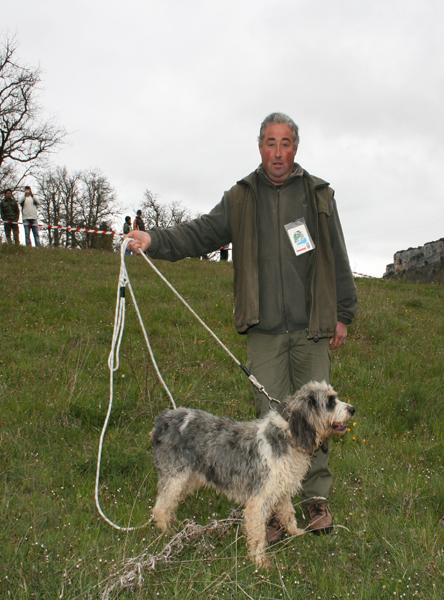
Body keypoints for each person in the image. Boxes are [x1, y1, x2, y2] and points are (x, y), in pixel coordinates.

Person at [124, 112, 358, 542]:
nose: (278, 152)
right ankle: (269, 505)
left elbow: (337, 254)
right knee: (273, 424)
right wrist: (153, 240)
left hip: (312, 328)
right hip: (264, 330)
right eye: (270, 142)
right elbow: (200, 233)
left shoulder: (318, 194)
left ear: (295, 148)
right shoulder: (240, 197)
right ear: (260, 147)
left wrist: (343, 313)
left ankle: (315, 501)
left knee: (318, 418)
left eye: (286, 143)